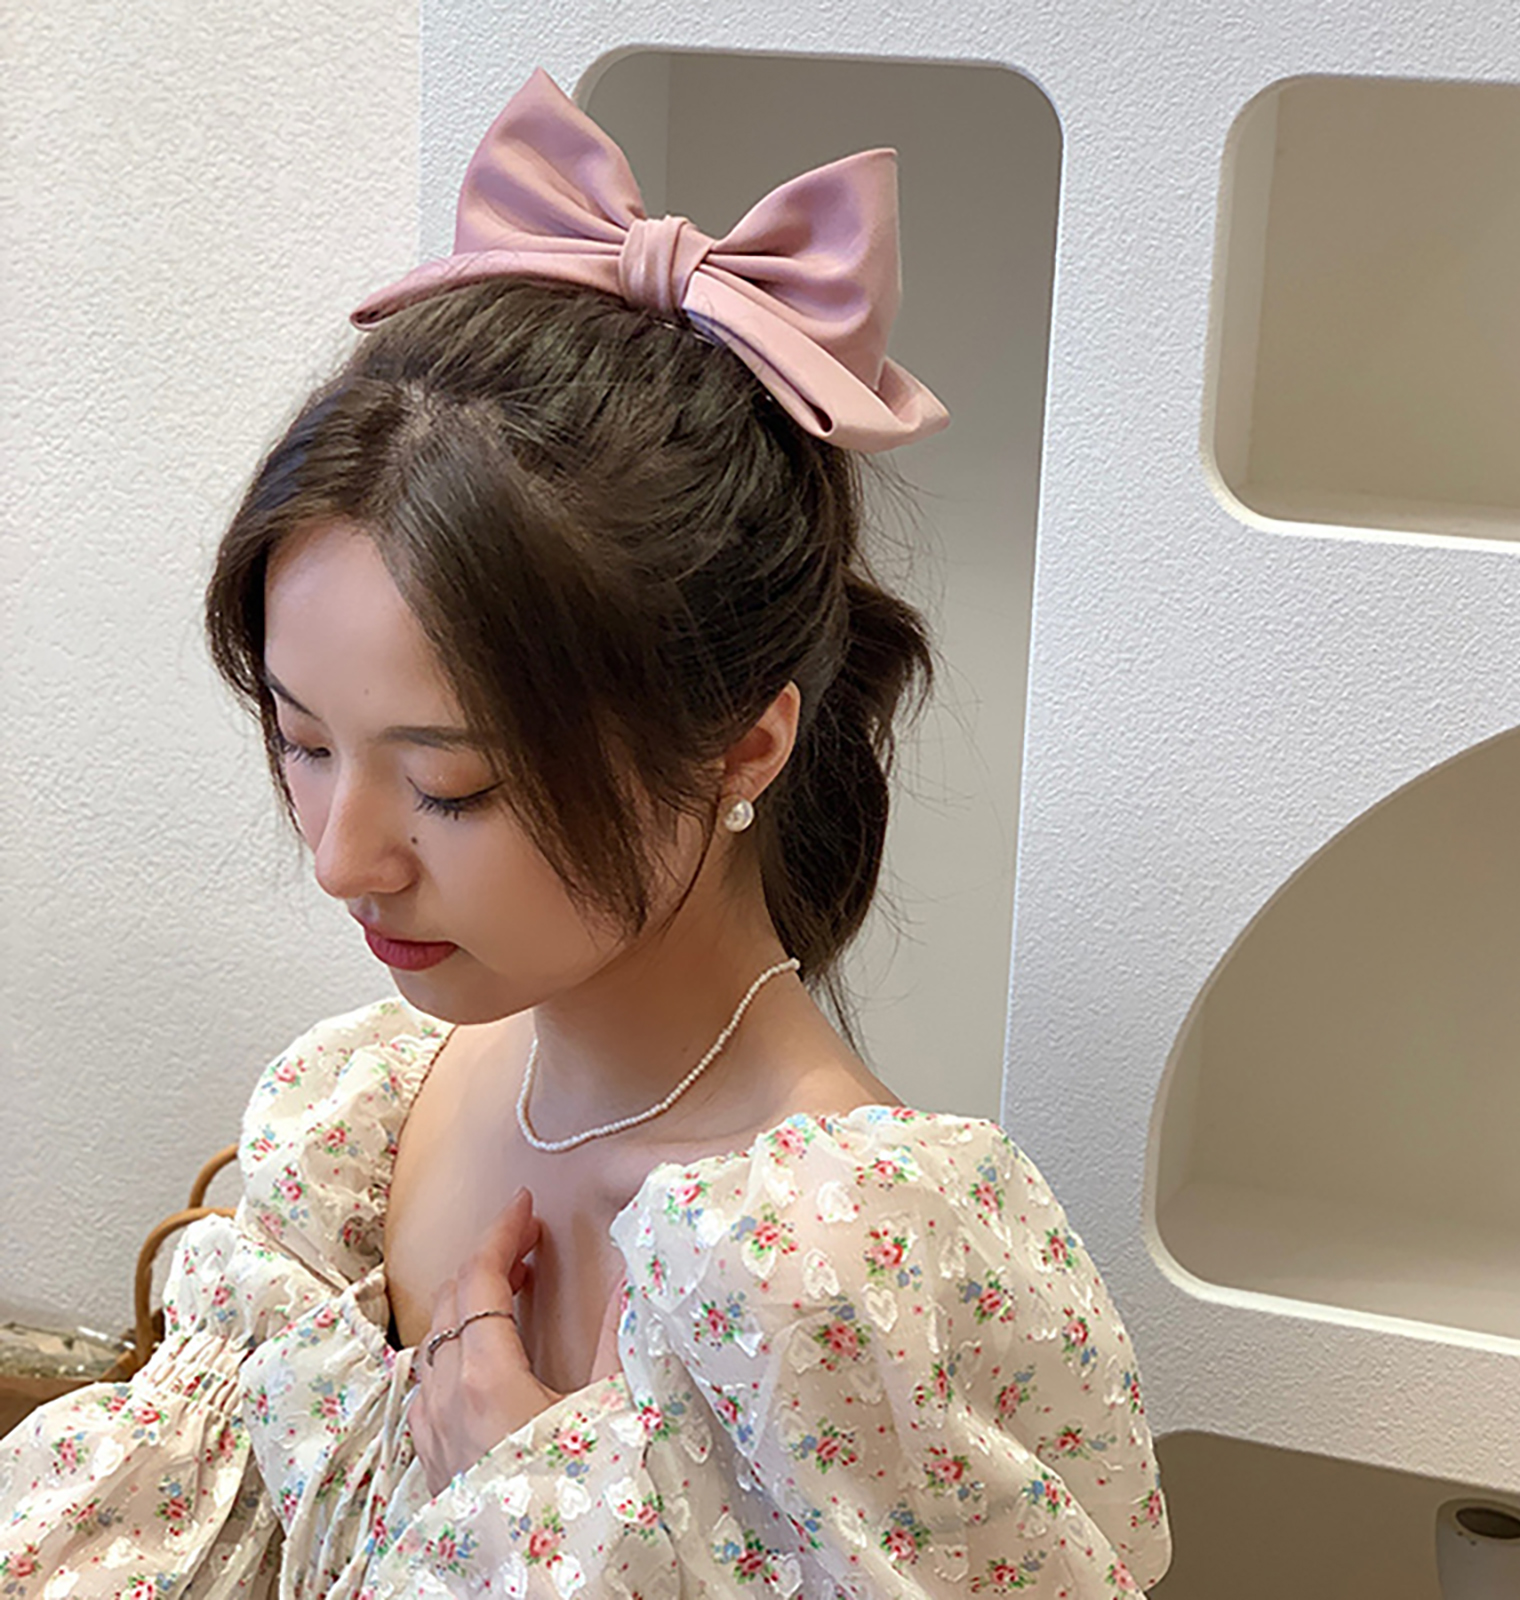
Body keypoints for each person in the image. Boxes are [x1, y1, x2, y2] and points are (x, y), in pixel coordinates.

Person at [0, 67, 1170, 1598]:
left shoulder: (831, 1274)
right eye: (302, 741)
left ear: (744, 742)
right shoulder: (367, 1117)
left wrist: (539, 1512)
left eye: (454, 786)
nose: (343, 858)